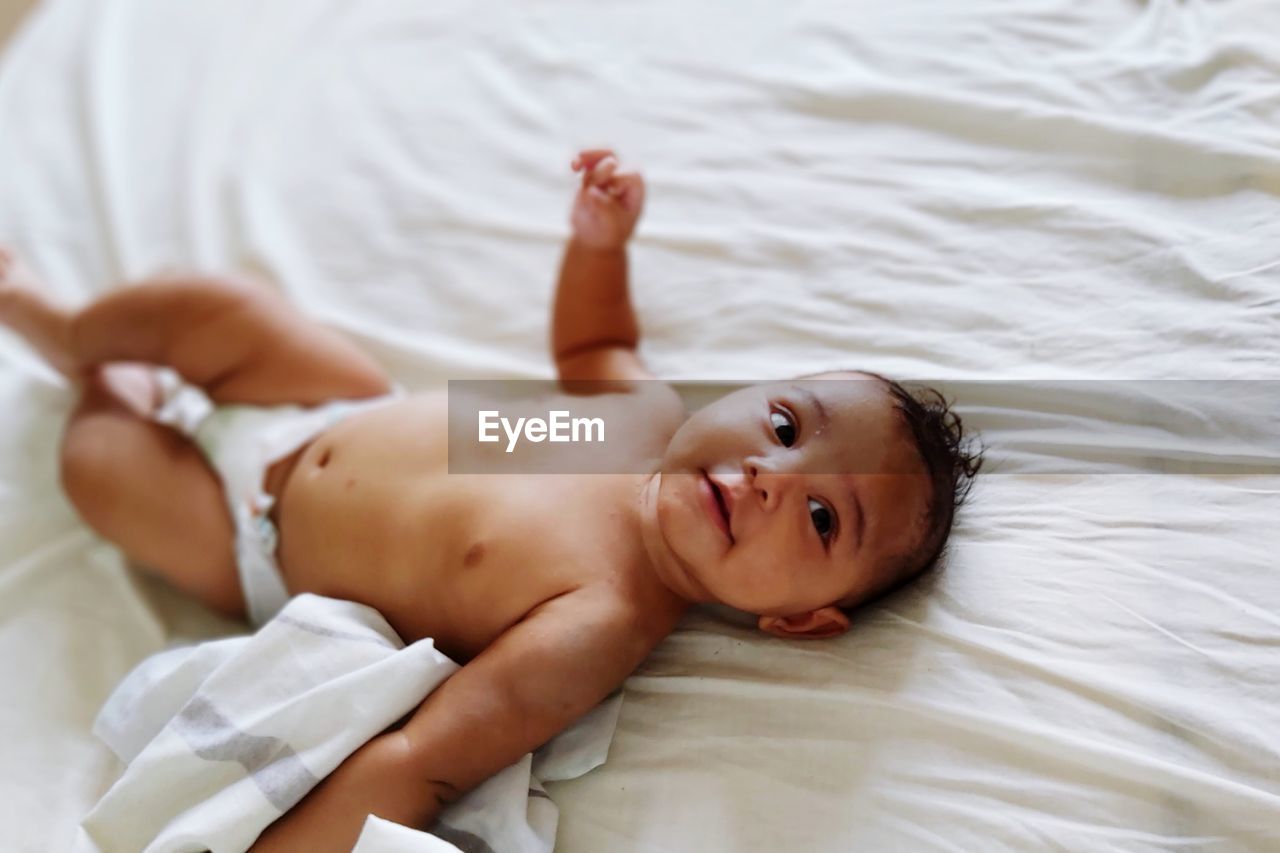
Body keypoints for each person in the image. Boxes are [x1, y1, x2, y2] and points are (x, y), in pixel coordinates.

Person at [0, 149, 981, 849]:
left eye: (821, 518)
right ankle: (60, 323)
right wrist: (600, 247)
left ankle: (112, 389)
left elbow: (426, 756)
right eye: (782, 425)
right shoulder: (635, 421)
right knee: (213, 307)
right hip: (330, 403)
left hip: (254, 537)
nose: (773, 479)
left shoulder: (601, 615)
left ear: (798, 618)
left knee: (100, 467)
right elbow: (590, 348)